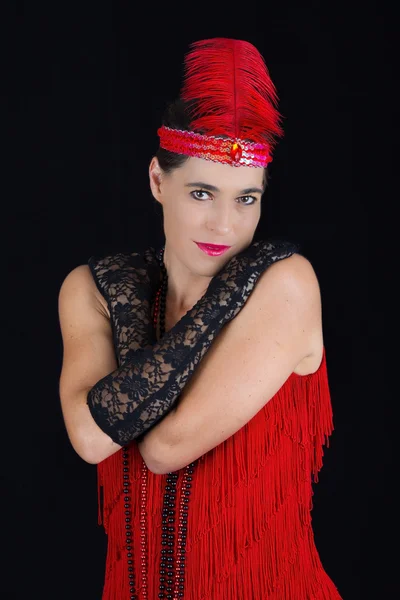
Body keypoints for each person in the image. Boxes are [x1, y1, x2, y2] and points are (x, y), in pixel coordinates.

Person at [58, 37, 342, 600]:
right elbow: (92, 438)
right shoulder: (94, 289)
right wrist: (209, 301)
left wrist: (223, 295)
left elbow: (164, 449)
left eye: (246, 199)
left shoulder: (284, 284)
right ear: (158, 182)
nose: (223, 226)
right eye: (202, 192)